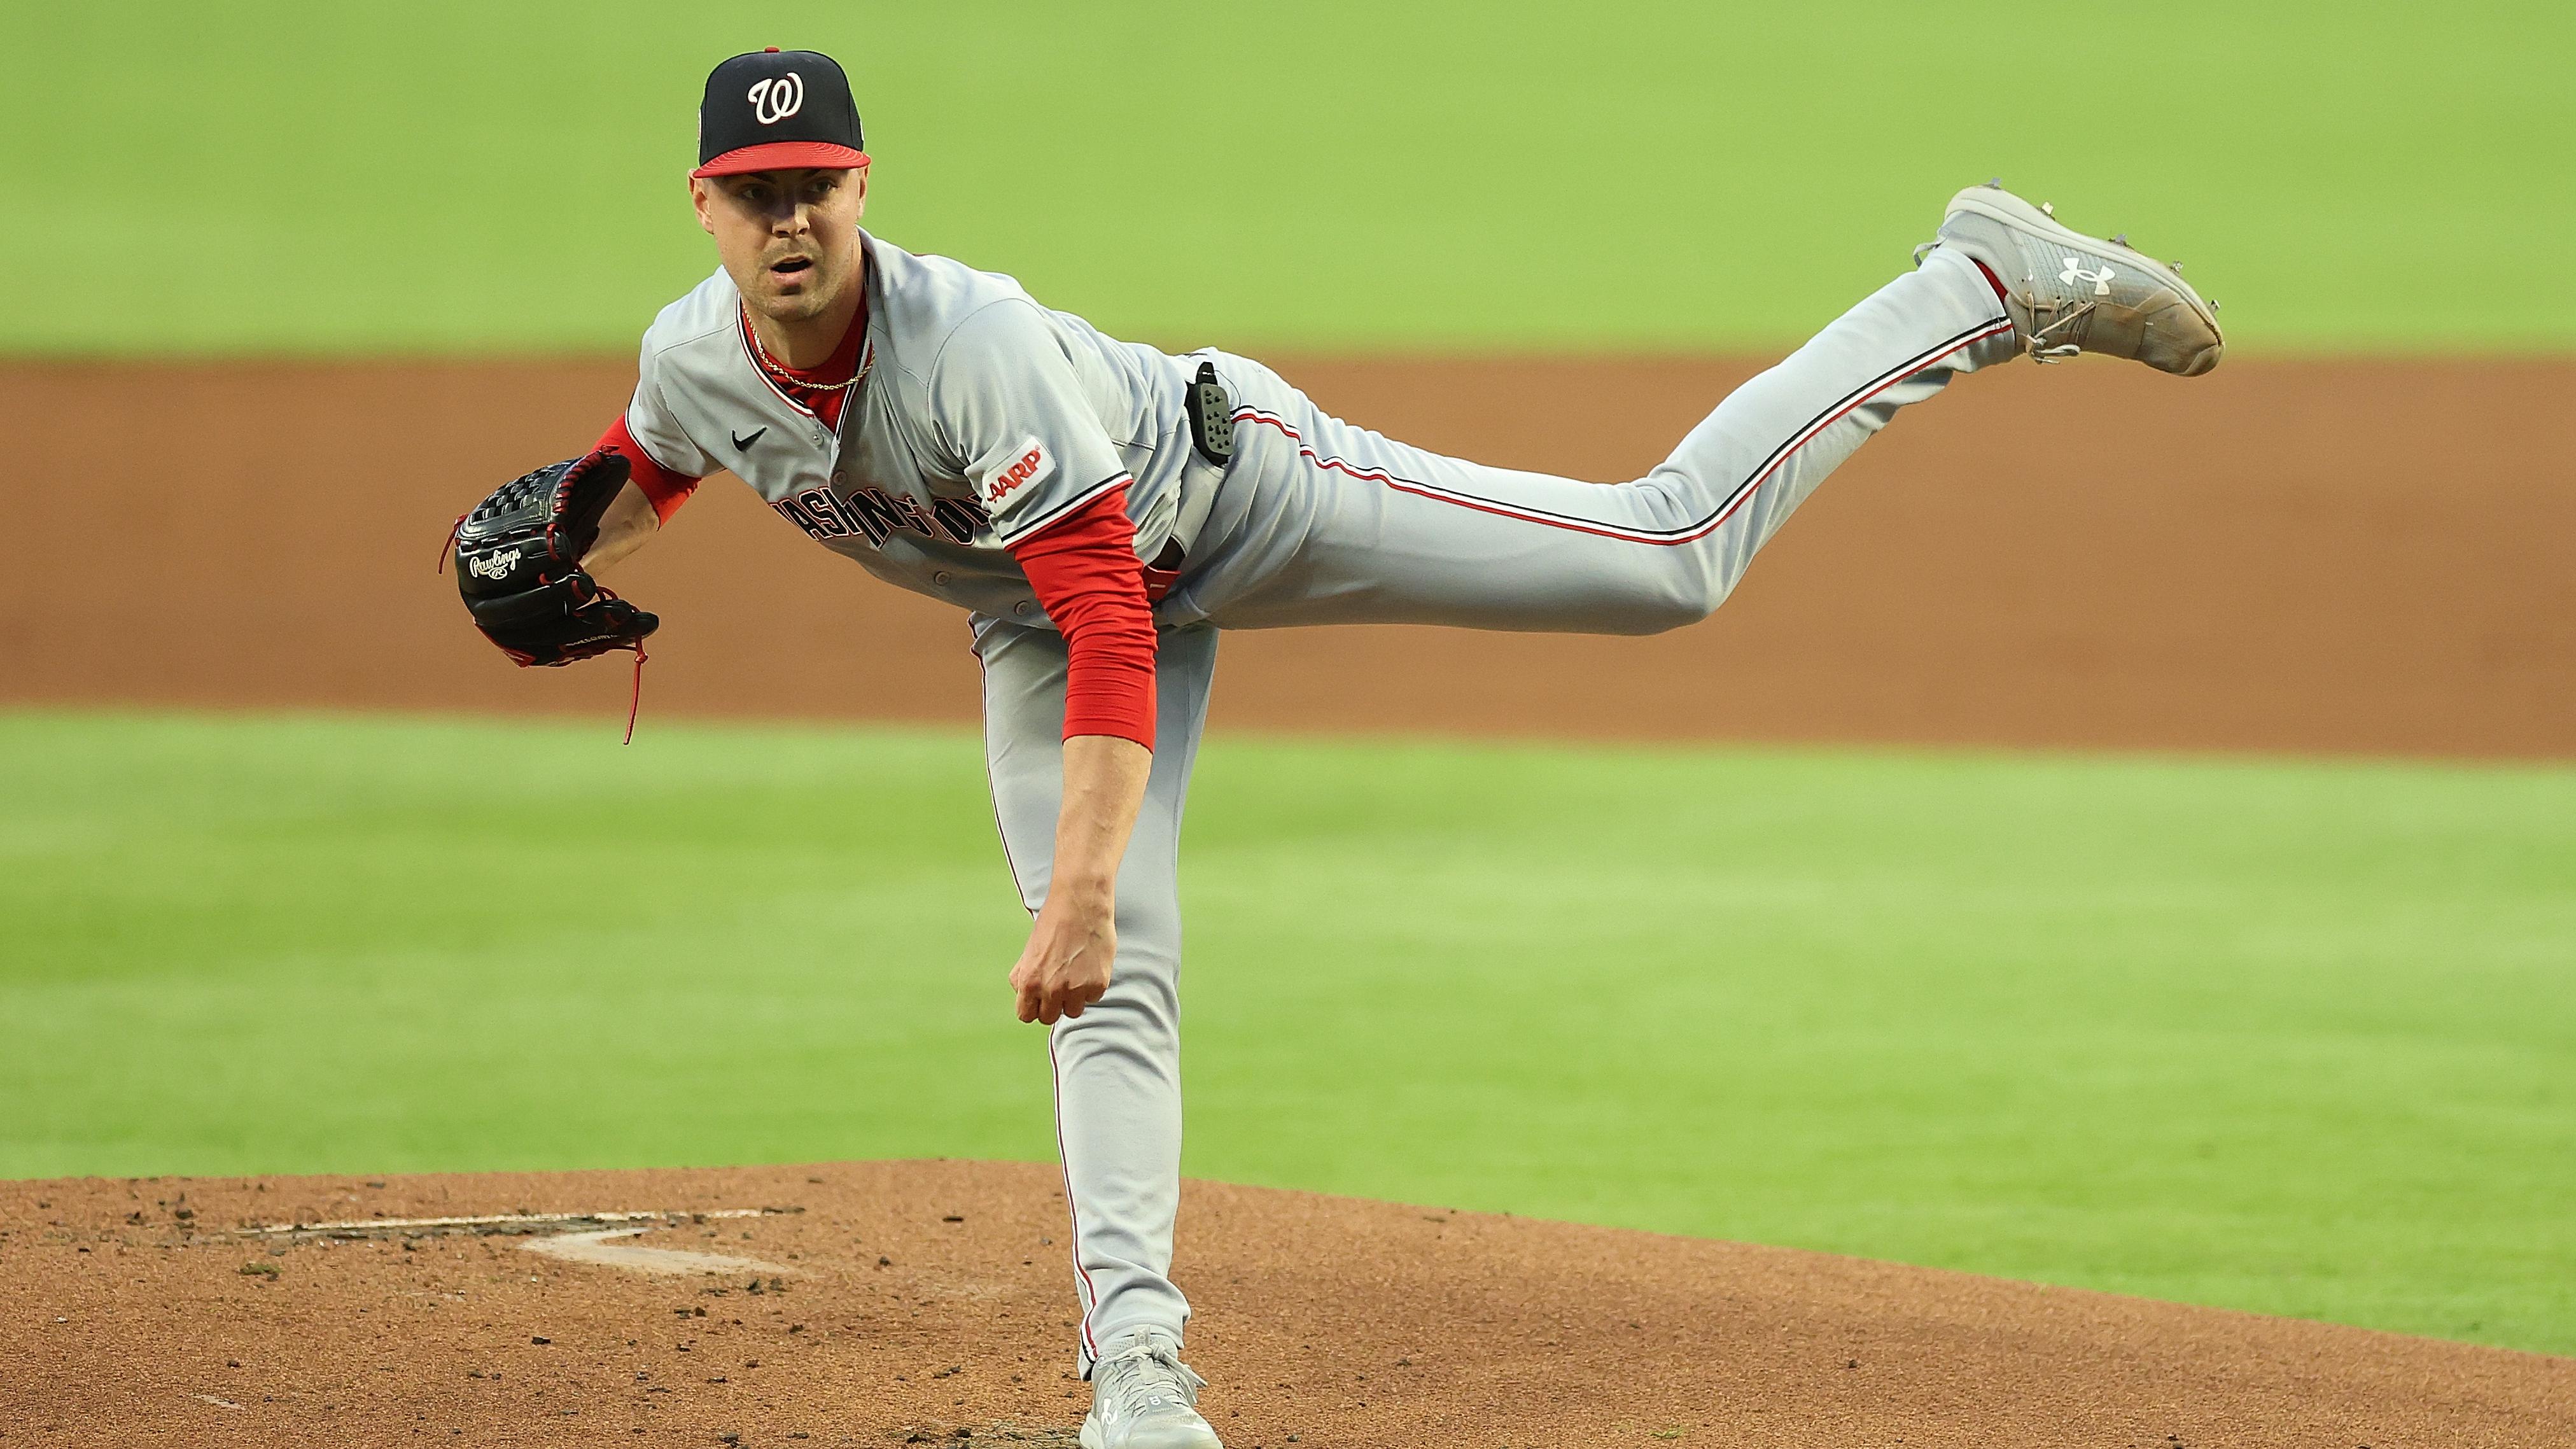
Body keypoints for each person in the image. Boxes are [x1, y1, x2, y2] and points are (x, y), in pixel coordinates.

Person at [449, 46, 2222, 1449]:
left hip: (1243, 500)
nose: (789, 222)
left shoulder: (969, 349)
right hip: (1040, 619)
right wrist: (565, 538)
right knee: (1117, 989)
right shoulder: (696, 358)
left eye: (815, 187)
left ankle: (1975, 282)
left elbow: (1119, 620)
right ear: (704, 206)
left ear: (861, 190)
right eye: (756, 193)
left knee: (1668, 557)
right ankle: (1141, 1378)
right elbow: (648, 471)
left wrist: (1078, 891)